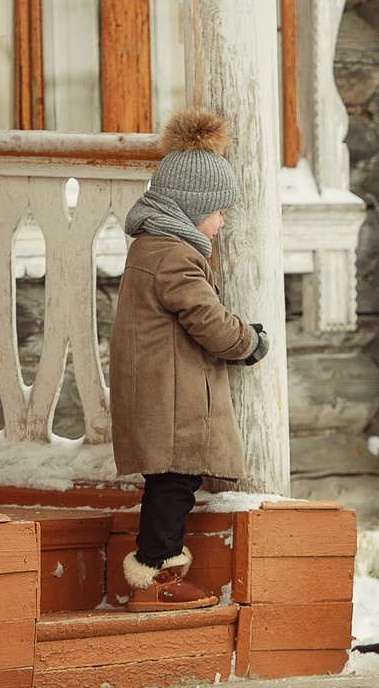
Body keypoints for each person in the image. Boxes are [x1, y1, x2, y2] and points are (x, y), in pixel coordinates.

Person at [108, 108, 271, 609]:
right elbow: (206, 318)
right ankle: (154, 577)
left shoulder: (154, 247)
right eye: (219, 211)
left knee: (171, 484)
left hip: (163, 391)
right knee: (173, 485)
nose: (222, 222)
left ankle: (162, 567)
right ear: (192, 206)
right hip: (169, 400)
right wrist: (248, 341)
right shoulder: (174, 255)